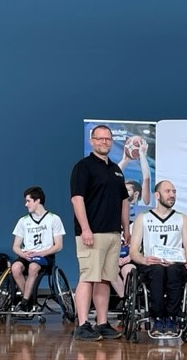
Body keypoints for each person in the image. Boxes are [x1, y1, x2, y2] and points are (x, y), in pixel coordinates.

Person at [71, 124, 130, 341]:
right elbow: (77, 199)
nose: (104, 142)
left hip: (113, 234)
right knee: (88, 277)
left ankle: (102, 323)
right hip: (92, 234)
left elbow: (124, 200)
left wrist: (126, 229)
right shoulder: (83, 167)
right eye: (100, 139)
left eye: (108, 139)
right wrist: (86, 228)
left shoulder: (115, 169)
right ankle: (83, 324)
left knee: (105, 279)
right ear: (92, 140)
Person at [130, 180, 187, 336]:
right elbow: (133, 251)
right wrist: (144, 259)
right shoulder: (143, 218)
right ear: (157, 195)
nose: (172, 195)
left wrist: (179, 259)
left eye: (174, 192)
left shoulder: (182, 218)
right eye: (168, 191)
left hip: (174, 263)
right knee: (157, 271)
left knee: (173, 271)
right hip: (151, 265)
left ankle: (172, 318)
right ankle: (157, 318)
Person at [10, 186, 65, 312]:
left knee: (33, 267)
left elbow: (58, 246)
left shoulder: (54, 219)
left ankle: (24, 302)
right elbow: (15, 246)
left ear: (37, 201)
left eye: (28, 201)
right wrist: (23, 255)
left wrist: (40, 253)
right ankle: (29, 299)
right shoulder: (23, 221)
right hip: (27, 255)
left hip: (45, 255)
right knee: (15, 268)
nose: (26, 204)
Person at [119, 136, 151, 220]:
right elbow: (112, 178)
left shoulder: (144, 203)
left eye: (128, 190)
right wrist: (124, 160)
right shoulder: (118, 202)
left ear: (136, 194)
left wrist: (142, 155)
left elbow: (146, 178)